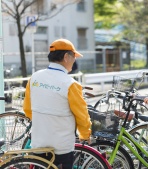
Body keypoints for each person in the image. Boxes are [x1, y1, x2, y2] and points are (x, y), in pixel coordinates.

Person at [23, 38, 91, 169]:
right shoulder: (70, 84)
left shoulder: (35, 78)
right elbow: (81, 114)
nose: (75, 60)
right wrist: (85, 133)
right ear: (66, 57)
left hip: (39, 142)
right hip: (61, 145)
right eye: (74, 56)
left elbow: (27, 108)